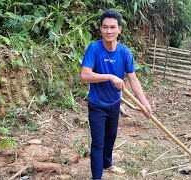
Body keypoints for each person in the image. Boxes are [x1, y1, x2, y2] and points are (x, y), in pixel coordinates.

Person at [80, 9, 152, 180]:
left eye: (113, 27)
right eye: (105, 27)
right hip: (97, 105)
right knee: (98, 143)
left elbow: (133, 80)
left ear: (119, 29)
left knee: (111, 138)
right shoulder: (94, 48)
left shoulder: (125, 52)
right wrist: (111, 77)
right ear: (101, 29)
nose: (109, 31)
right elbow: (85, 75)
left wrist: (144, 103)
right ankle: (97, 177)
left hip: (114, 103)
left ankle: (107, 164)